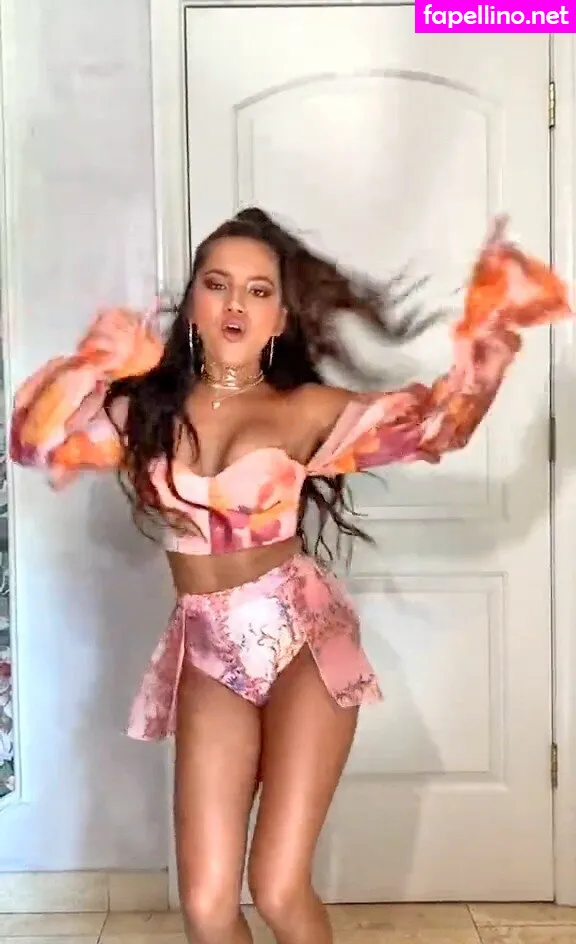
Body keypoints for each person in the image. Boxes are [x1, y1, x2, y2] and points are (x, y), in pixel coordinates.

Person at [10, 208, 572, 944]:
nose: (236, 304)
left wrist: (492, 333)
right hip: (208, 647)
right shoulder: (140, 410)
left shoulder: (305, 409)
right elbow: (34, 441)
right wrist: (96, 360)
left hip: (304, 640)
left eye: (258, 290)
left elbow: (440, 425)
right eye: (218, 284)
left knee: (276, 887)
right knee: (207, 906)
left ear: (279, 319)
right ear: (193, 305)